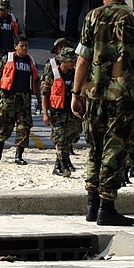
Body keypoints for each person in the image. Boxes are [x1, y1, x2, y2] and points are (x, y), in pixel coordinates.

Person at [71, 0, 134, 226]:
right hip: (124, 96)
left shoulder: (92, 17)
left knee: (95, 147)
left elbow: (83, 59)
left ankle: (91, 205)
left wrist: (75, 92)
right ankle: (106, 207)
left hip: (95, 94)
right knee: (114, 148)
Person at [0, 34, 41, 165]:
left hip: (24, 98)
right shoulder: (7, 59)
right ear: (15, 47)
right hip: (9, 96)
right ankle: (0, 148)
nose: (24, 48)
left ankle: (18, 155)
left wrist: (38, 99)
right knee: (4, 124)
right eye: (22, 46)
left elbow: (36, 82)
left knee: (24, 127)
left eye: (26, 46)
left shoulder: (30, 61)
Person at [41, 47, 81, 177]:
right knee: (60, 140)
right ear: (63, 61)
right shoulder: (53, 75)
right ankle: (63, 166)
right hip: (57, 113)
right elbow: (45, 96)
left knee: (70, 140)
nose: (73, 63)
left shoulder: (75, 74)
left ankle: (57, 166)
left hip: (72, 113)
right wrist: (45, 114)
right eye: (71, 61)